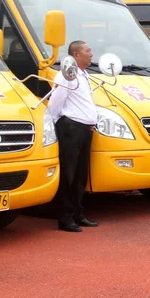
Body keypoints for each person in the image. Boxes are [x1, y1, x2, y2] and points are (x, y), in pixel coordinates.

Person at [48, 41, 99, 233]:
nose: (91, 54)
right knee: (69, 175)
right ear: (76, 55)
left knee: (80, 175)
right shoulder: (66, 74)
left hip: (85, 130)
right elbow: (56, 101)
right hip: (71, 129)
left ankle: (78, 213)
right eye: (88, 50)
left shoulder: (84, 74)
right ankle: (65, 218)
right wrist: (54, 124)